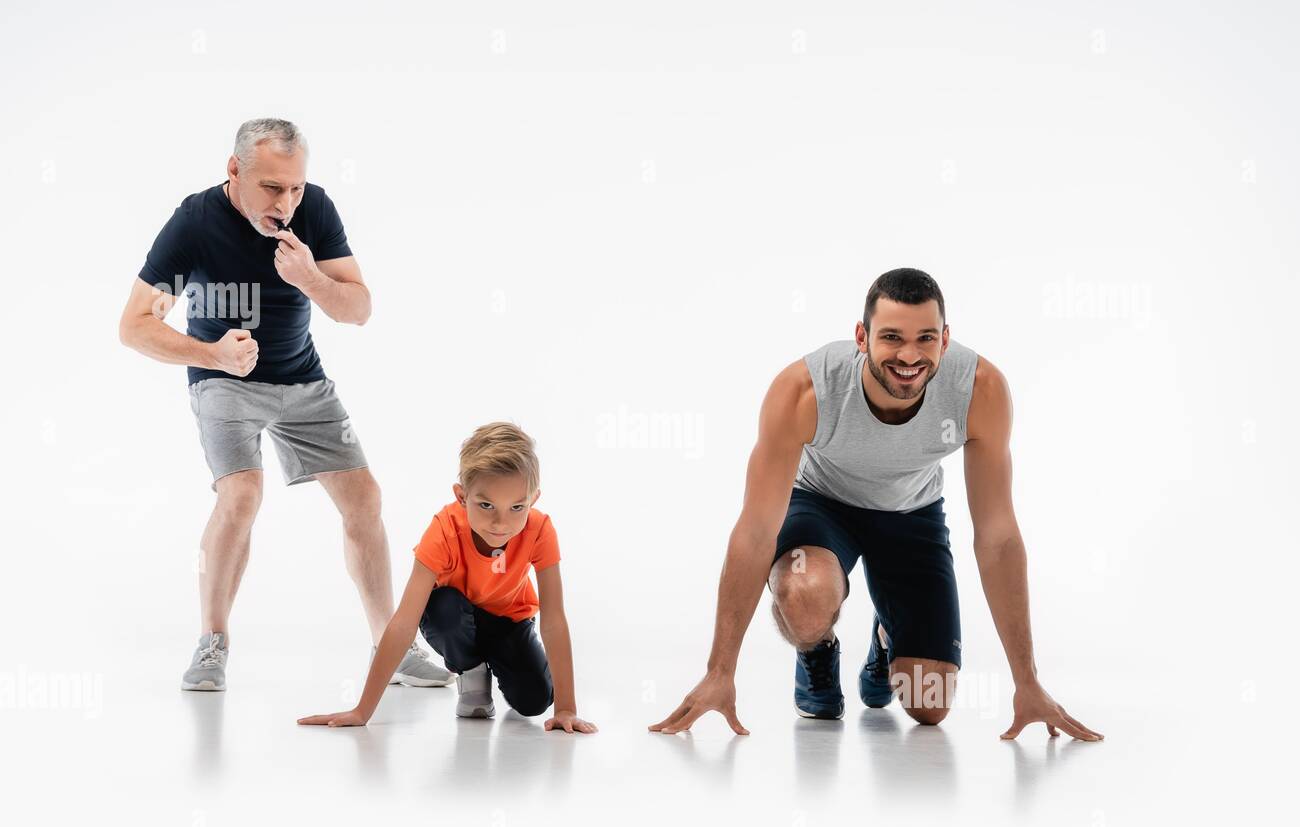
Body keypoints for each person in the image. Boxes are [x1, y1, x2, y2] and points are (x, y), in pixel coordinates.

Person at [650, 267, 1103, 741]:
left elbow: (998, 535)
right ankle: (816, 648)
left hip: (911, 514)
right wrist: (720, 671)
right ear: (862, 338)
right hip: (822, 504)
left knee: (930, 705)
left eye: (925, 338)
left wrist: (1027, 682)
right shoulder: (804, 390)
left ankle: (888, 637)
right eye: (892, 338)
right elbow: (755, 532)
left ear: (945, 341)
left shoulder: (980, 390)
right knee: (804, 593)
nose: (909, 355)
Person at [118, 118, 449, 691]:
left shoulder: (315, 210)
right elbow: (134, 326)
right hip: (224, 379)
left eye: (296, 187)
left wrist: (310, 279)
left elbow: (359, 309)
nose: (287, 201)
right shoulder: (195, 223)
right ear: (235, 171)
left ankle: (390, 646)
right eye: (273, 188)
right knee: (243, 495)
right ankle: (211, 643)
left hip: (302, 379)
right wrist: (212, 354)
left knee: (365, 498)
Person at [298, 422, 598, 733]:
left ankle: (498, 661)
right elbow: (403, 621)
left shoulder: (540, 530)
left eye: (516, 507)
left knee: (534, 701)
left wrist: (566, 708)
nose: (500, 522)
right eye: (486, 505)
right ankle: (470, 670)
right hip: (452, 617)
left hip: (509, 622)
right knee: (444, 611)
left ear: (532, 500)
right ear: (461, 496)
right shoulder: (443, 530)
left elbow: (553, 619)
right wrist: (362, 711)